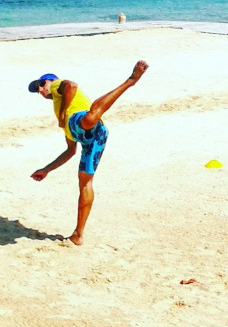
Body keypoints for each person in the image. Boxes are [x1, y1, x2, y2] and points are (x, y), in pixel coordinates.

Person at [28, 60, 149, 245]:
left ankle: (130, 81)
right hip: (93, 138)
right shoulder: (59, 106)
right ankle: (77, 234)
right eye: (38, 90)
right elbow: (70, 150)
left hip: (86, 124)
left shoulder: (57, 86)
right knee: (85, 182)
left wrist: (62, 115)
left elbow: (72, 85)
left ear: (50, 80)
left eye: (40, 85)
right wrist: (46, 169)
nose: (40, 90)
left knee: (89, 118)